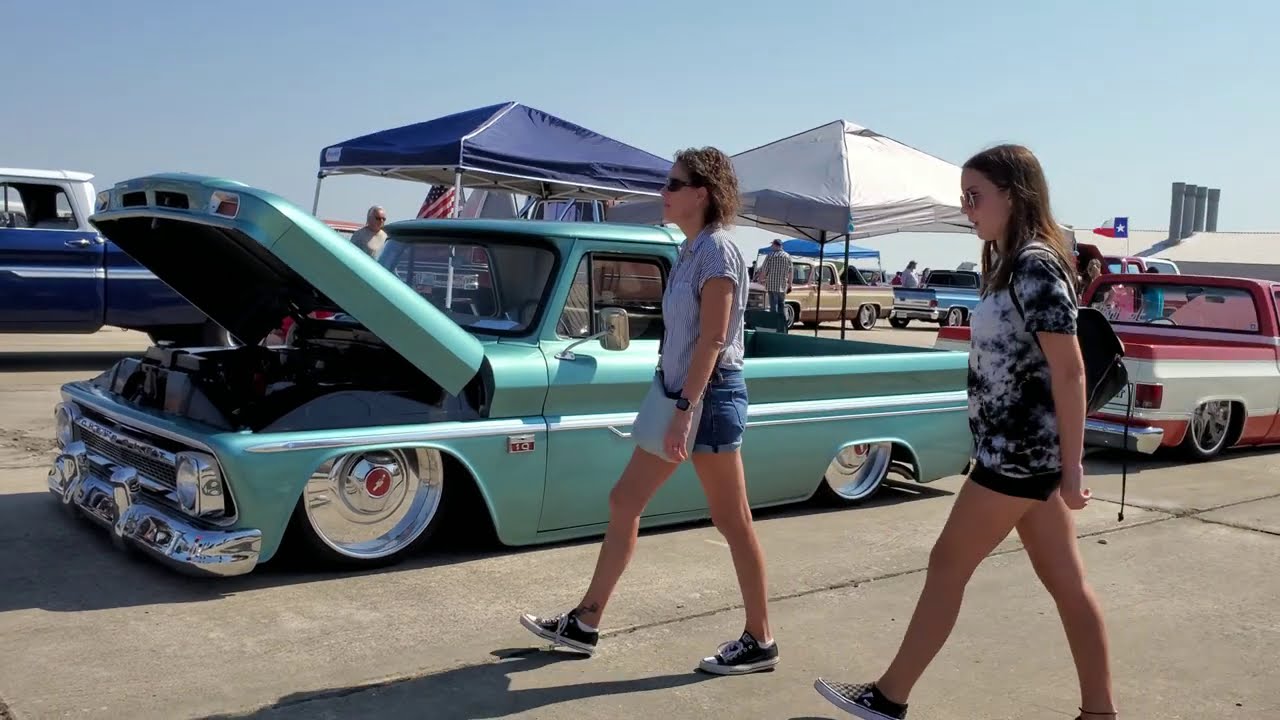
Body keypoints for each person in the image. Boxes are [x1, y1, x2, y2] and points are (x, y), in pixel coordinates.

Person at [814, 144, 1117, 720]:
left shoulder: (1034, 263)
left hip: (1019, 456)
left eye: (975, 197)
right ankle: (1099, 712)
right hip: (1022, 454)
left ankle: (889, 696)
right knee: (1068, 586)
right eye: (963, 197)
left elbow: (1070, 368)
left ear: (1014, 195)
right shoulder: (1007, 262)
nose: (967, 208)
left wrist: (1074, 468)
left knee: (947, 563)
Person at [519, 146, 778, 675]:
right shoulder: (689, 250)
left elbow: (713, 338)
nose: (664, 193)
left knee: (733, 520)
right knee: (625, 500)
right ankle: (586, 621)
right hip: (680, 394)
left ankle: (760, 639)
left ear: (702, 193)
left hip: (708, 395)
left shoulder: (718, 252)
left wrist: (685, 407)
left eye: (673, 184)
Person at [755, 238, 793, 332]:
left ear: (776, 245)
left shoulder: (771, 255)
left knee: (773, 307)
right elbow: (791, 272)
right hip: (782, 285)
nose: (771, 247)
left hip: (772, 284)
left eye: (772, 245)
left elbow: (764, 270)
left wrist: (759, 280)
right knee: (782, 305)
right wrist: (790, 285)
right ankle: (783, 326)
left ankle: (774, 326)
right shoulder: (788, 256)